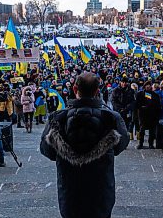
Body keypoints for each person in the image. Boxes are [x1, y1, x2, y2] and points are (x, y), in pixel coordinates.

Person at [40, 72, 129, 218]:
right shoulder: (112, 118)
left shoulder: (57, 119)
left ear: (75, 89)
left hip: (70, 189)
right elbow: (120, 146)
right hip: (101, 188)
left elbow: (47, 151)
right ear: (97, 91)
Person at [135, 81, 161, 149]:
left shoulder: (155, 95)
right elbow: (137, 104)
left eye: (149, 85)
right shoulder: (140, 94)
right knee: (142, 130)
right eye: (146, 85)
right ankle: (140, 143)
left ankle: (151, 144)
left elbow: (158, 105)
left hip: (152, 115)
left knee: (152, 130)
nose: (148, 86)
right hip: (142, 114)